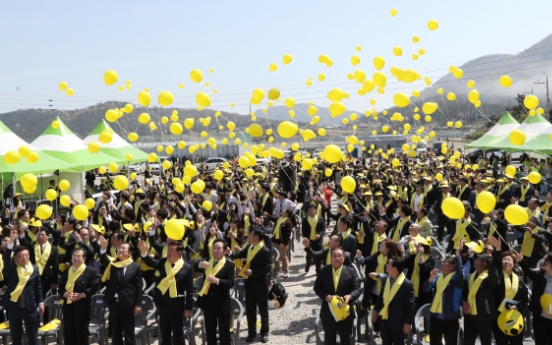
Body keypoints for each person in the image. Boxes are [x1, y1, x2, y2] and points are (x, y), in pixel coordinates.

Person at [138, 240, 193, 345]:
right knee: (165, 332)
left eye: (172, 250)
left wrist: (188, 307)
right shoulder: (163, 262)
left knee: (178, 333)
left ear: (179, 253)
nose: (168, 252)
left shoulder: (186, 267)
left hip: (178, 302)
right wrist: (144, 253)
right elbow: (151, 263)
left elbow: (190, 290)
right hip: (163, 302)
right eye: (168, 250)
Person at [229, 226, 272, 343]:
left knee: (263, 310)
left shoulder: (265, 250)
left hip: (261, 283)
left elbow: (268, 268)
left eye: (251, 234)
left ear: (256, 237)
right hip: (249, 283)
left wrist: (253, 272)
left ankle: (264, 332)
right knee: (250, 309)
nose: (249, 235)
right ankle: (251, 332)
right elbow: (241, 253)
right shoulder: (249, 247)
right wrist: (231, 253)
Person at [2, 229, 44, 345]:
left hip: (30, 306)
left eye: (26, 255)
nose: (24, 258)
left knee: (33, 337)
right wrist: (11, 241)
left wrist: (40, 302)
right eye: (21, 256)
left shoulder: (34, 269)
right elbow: (6, 257)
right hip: (14, 307)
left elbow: (38, 287)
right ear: (15, 258)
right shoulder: (11, 268)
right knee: (16, 336)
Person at [99, 237, 143, 345]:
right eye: (119, 249)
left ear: (130, 253)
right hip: (114, 302)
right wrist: (103, 249)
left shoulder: (135, 267)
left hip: (128, 302)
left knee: (129, 332)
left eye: (123, 249)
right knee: (115, 332)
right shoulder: (113, 264)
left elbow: (139, 287)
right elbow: (103, 260)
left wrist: (138, 304)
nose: (120, 250)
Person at [313, 247, 361, 345]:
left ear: (343, 258)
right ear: (331, 258)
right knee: (329, 339)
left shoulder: (351, 271)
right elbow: (317, 287)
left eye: (339, 256)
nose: (337, 258)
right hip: (329, 312)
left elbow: (357, 289)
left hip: (345, 312)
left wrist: (350, 296)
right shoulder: (324, 270)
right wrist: (325, 296)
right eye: (334, 256)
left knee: (346, 339)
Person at [488, 237, 528, 345]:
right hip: (500, 316)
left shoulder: (519, 280)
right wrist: (498, 249)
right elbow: (495, 263)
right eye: (504, 260)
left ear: (513, 263)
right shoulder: (498, 276)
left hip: (515, 316)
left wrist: (517, 306)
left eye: (509, 260)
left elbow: (525, 299)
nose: (506, 261)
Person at [195, 238, 236, 345]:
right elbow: (194, 266)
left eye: (219, 248)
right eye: (214, 248)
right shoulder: (207, 261)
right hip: (208, 302)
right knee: (210, 331)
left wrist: (217, 281)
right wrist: (200, 265)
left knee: (224, 333)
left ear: (225, 250)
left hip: (222, 302)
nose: (216, 250)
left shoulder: (229, 264)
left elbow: (230, 283)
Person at [423, 242, 465, 345]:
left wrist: (458, 255)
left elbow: (460, 273)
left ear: (452, 266)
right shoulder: (438, 276)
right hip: (436, 317)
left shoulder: (456, 279)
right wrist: (430, 278)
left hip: (451, 318)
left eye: (445, 262)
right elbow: (425, 289)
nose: (442, 263)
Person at [58, 247, 99, 345]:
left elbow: (94, 287)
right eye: (74, 256)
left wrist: (82, 295)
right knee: (68, 333)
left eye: (78, 256)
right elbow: (60, 288)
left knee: (81, 333)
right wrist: (64, 294)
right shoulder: (66, 272)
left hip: (82, 307)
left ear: (84, 258)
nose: (76, 258)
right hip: (68, 307)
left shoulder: (90, 271)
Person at [372, 256, 415, 345]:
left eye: (388, 264)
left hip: (398, 322)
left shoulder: (407, 284)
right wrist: (376, 310)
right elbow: (380, 297)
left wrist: (408, 322)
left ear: (395, 269)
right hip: (384, 319)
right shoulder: (386, 280)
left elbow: (411, 306)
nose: (386, 265)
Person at [461, 251, 498, 345]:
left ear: (485, 263)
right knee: (468, 342)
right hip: (469, 317)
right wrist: (463, 302)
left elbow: (494, 273)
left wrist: (490, 256)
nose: (475, 260)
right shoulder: (469, 277)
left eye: (478, 259)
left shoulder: (490, 278)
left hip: (484, 317)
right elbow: (463, 294)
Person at [302, 203, 326, 273]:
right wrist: (306, 239)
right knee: (309, 255)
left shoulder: (320, 219)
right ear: (308, 211)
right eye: (310, 210)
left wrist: (320, 235)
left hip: (318, 241)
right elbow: (304, 231)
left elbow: (323, 229)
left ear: (316, 210)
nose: (311, 211)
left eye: (313, 209)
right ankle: (308, 264)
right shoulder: (305, 220)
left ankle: (318, 269)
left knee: (318, 256)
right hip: (310, 241)